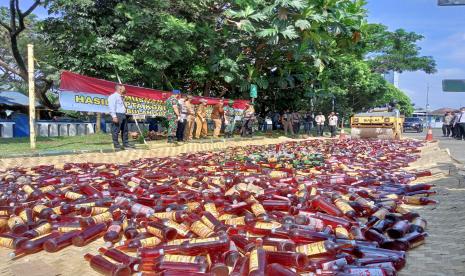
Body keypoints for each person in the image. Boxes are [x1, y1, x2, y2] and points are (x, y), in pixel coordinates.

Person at [108, 84, 133, 150]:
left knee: (125, 130)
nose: (125, 89)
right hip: (117, 114)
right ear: (119, 89)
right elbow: (111, 107)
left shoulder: (122, 97)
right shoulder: (113, 96)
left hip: (123, 114)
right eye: (123, 88)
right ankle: (116, 145)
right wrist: (114, 116)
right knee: (116, 130)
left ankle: (126, 144)